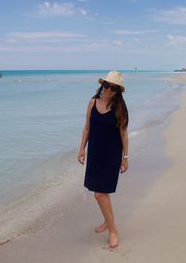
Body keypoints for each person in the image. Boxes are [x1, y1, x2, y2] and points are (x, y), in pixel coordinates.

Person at [77, 70, 129, 249]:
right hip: (95, 154)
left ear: (118, 91)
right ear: (102, 85)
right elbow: (87, 128)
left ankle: (113, 230)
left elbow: (123, 133)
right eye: (106, 85)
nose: (108, 90)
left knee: (100, 194)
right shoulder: (92, 102)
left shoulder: (120, 108)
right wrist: (82, 149)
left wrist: (125, 158)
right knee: (100, 194)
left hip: (111, 155)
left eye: (113, 88)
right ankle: (108, 221)